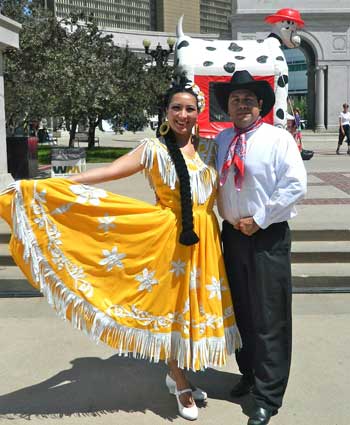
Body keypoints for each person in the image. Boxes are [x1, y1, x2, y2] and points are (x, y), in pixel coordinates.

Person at [0, 77, 241, 421]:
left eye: (189, 108)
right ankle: (179, 379)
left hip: (206, 240)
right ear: (166, 112)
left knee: (192, 310)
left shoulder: (210, 150)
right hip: (166, 239)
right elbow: (110, 171)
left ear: (198, 112)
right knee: (169, 310)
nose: (183, 115)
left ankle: (179, 375)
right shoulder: (152, 149)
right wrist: (52, 185)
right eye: (176, 108)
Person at [213, 70, 307, 425]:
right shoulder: (222, 141)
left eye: (249, 100)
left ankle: (268, 395)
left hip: (267, 235)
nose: (242, 105)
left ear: (261, 105)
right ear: (229, 107)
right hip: (233, 236)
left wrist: (261, 218)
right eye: (236, 100)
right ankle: (249, 373)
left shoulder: (278, 139)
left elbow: (295, 185)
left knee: (270, 317)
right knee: (242, 312)